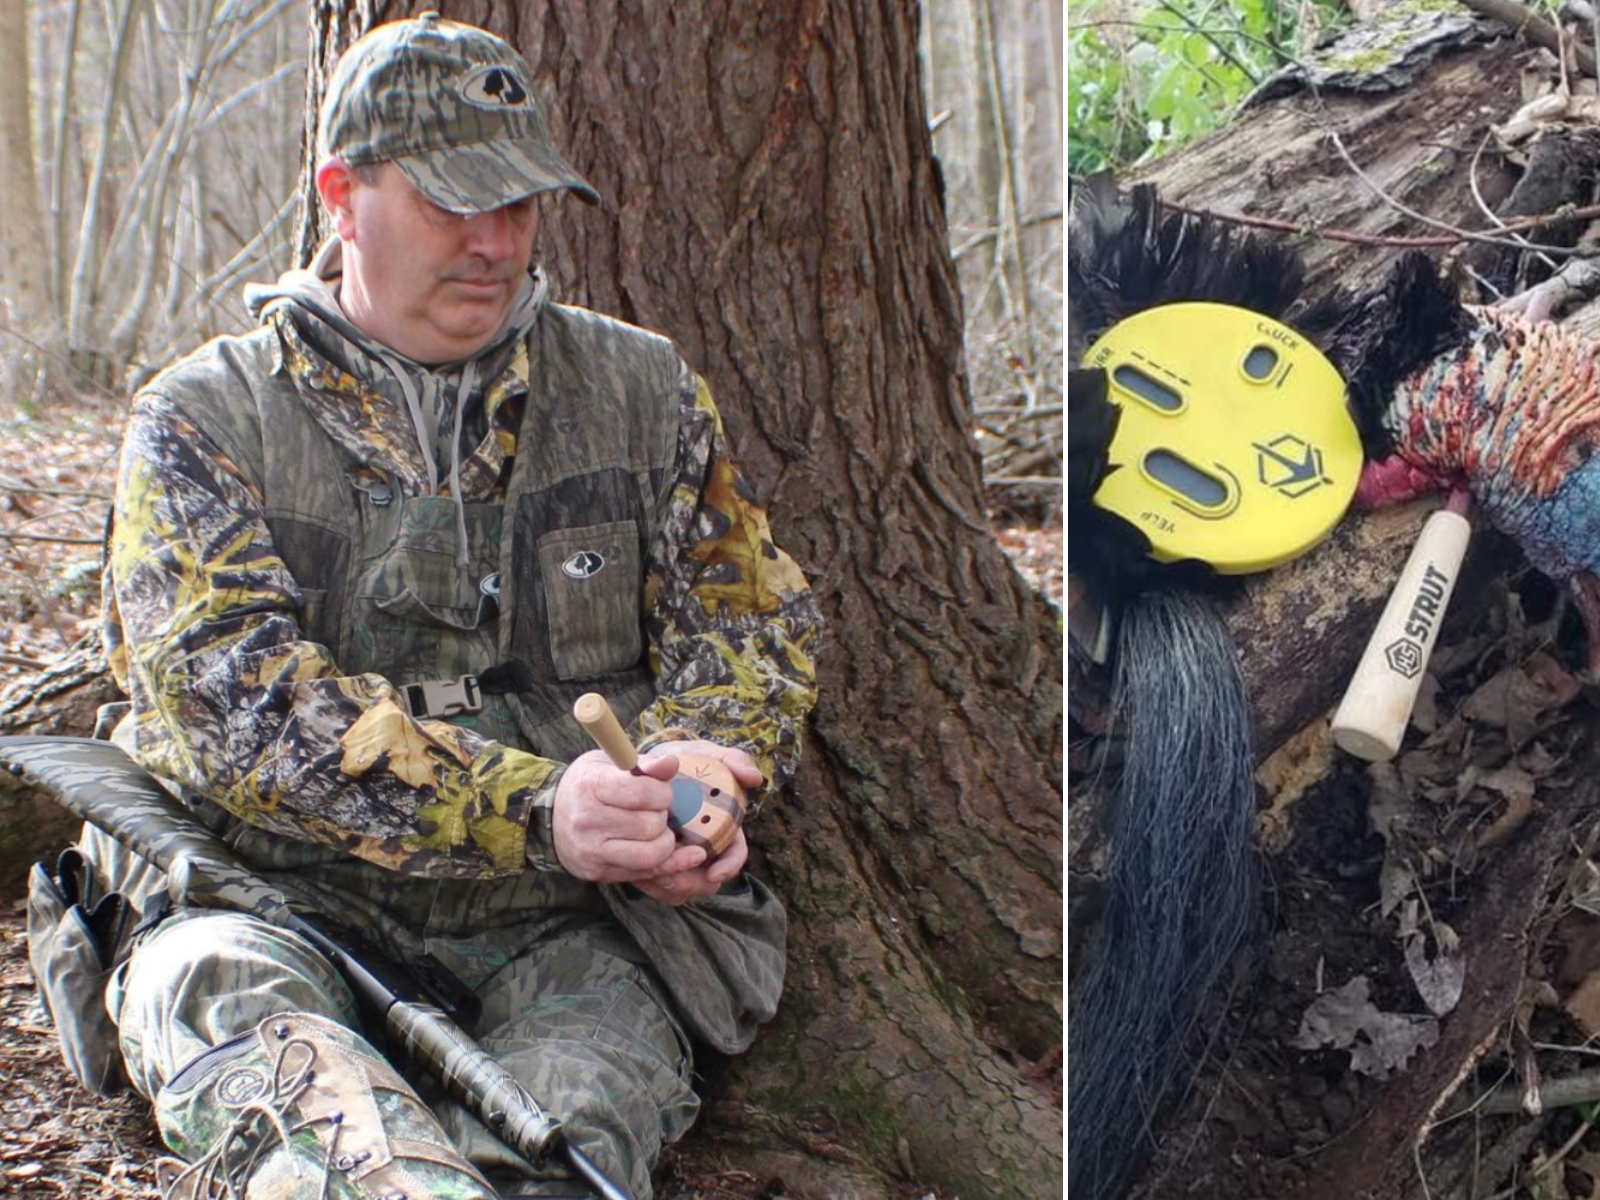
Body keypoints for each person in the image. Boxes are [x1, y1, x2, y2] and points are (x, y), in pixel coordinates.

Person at [76, 12, 822, 1199]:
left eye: (516, 205)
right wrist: (544, 809)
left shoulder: (637, 390)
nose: (491, 244)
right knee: (322, 1138)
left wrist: (702, 774)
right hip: (266, 904)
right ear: (341, 196)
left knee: (572, 1142)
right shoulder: (204, 419)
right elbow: (239, 715)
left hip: (567, 927)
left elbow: (752, 624)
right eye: (448, 203)